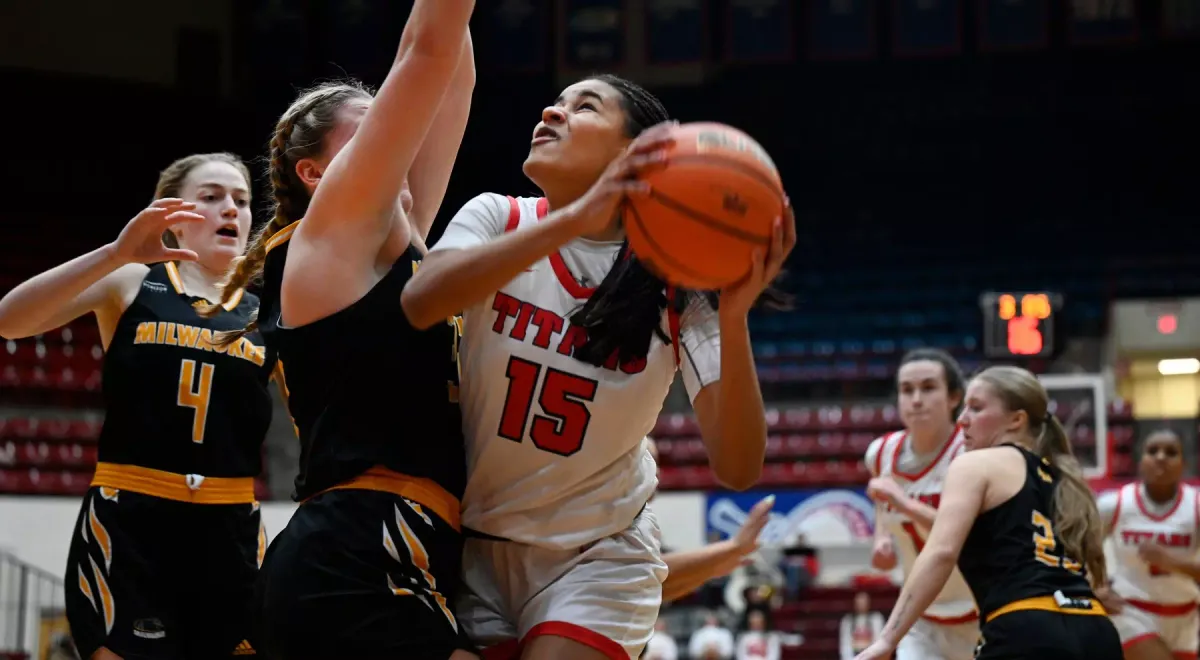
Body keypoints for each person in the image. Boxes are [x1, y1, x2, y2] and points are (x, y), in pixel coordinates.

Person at [403, 74, 795, 659]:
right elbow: (421, 302)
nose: (552, 111)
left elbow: (738, 467)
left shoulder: (677, 286)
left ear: (636, 155)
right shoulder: (498, 217)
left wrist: (733, 315)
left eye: (583, 106)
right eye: (555, 101)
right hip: (473, 548)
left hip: (599, 554)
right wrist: (577, 217)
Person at [202, 2, 477, 658]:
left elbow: (452, 77)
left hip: (387, 548)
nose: (396, 130)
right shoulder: (329, 243)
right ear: (316, 175)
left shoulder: (394, 247)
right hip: (354, 556)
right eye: (372, 127)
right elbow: (429, 52)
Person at [0, 153, 274, 660]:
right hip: (132, 520)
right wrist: (114, 253)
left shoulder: (269, 310)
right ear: (170, 216)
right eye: (211, 197)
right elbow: (10, 320)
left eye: (241, 200)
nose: (231, 210)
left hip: (229, 525)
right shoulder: (133, 282)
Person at [855, 366, 1122, 660]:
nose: (962, 420)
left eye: (976, 408)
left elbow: (941, 553)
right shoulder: (1063, 477)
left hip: (1026, 630)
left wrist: (886, 640)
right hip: (1097, 631)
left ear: (1016, 420)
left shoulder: (976, 464)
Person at [862, 348, 979, 659]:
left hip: (981, 613)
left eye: (928, 388)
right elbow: (882, 504)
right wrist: (882, 537)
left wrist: (903, 503)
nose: (916, 399)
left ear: (955, 398)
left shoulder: (970, 455)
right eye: (907, 390)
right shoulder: (881, 453)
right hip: (920, 616)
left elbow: (968, 535)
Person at [1094, 429, 1200, 660]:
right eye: (1153, 451)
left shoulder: (1196, 505)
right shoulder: (1114, 504)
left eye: (1171, 452)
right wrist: (1094, 587)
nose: (1161, 457)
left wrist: (1172, 562)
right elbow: (1077, 551)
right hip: (1131, 612)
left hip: (1185, 616)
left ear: (1184, 463)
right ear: (1140, 461)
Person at [840, 592, 885, 660]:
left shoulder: (876, 619)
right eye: (859, 602)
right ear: (854, 604)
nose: (861, 605)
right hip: (854, 655)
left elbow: (878, 642)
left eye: (863, 602)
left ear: (868, 603)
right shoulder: (847, 620)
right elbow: (845, 645)